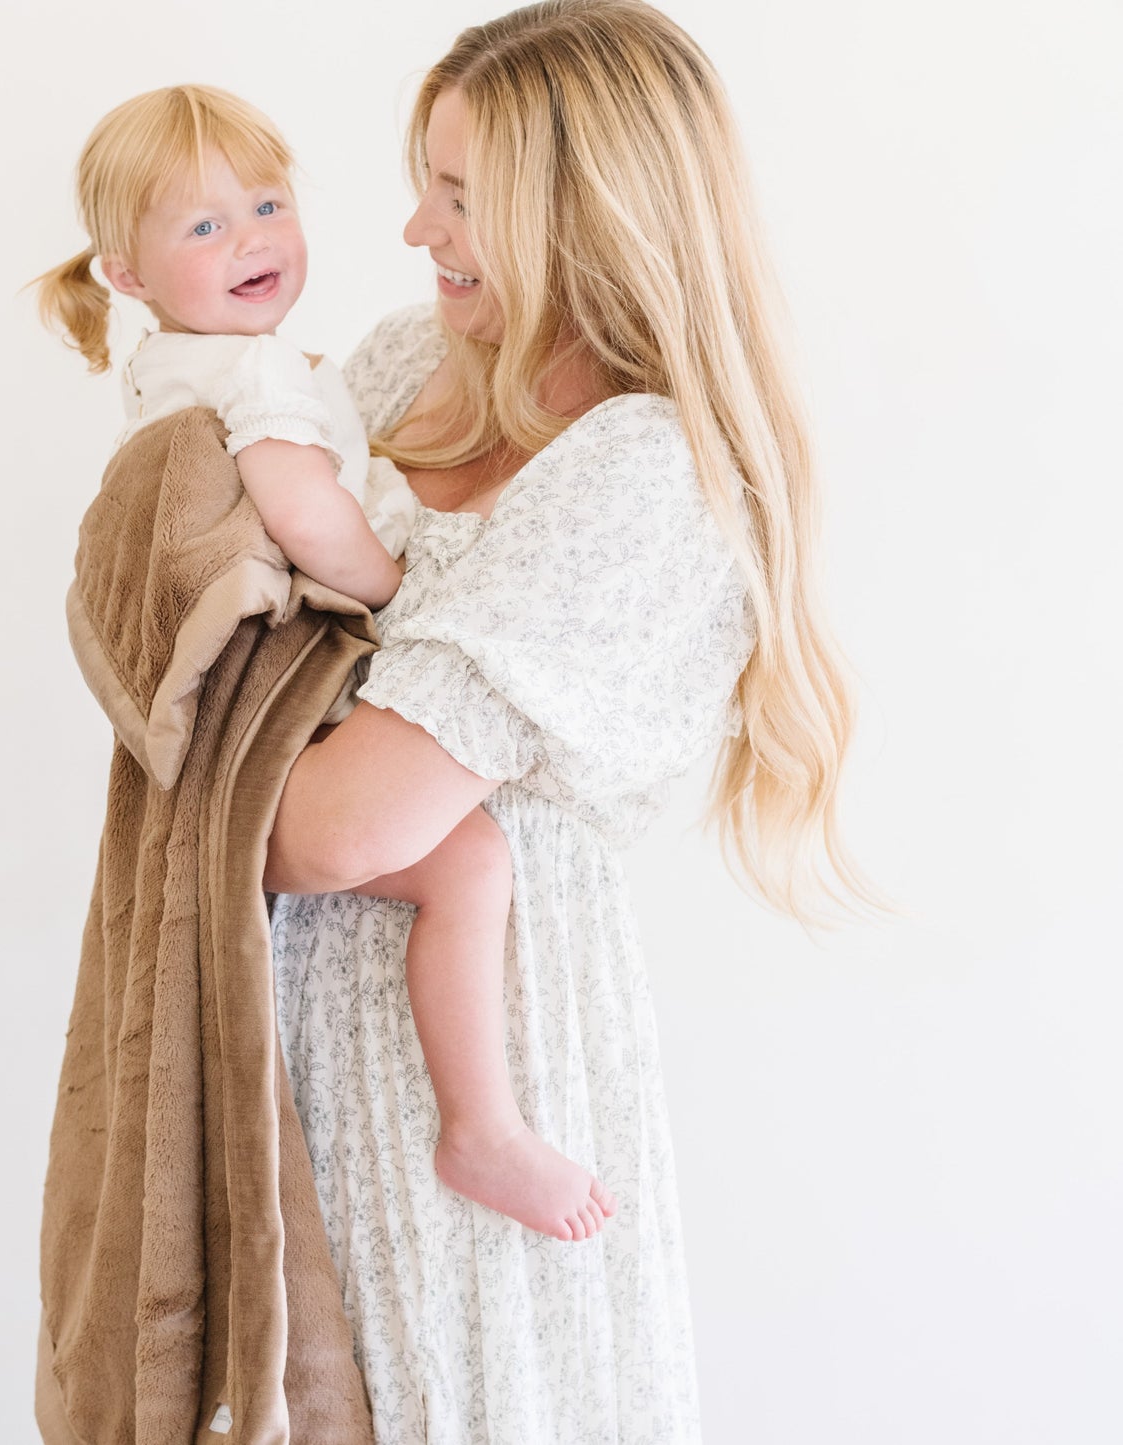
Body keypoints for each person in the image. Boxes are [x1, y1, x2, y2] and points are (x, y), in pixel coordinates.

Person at [259, 1, 887, 1439]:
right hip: (291, 1013)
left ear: (582, 212)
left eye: (463, 194)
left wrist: (214, 788)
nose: (417, 225)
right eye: (426, 177)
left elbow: (343, 825)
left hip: (484, 1049)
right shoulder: (399, 363)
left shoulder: (649, 468)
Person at [29, 83, 619, 1243]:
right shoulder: (256, 376)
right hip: (307, 689)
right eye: (202, 227)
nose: (249, 239)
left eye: (264, 204)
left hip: (262, 717)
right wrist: (400, 595)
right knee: (469, 863)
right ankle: (482, 1124)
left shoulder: (173, 365)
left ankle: (479, 1123)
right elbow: (305, 517)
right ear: (128, 275)